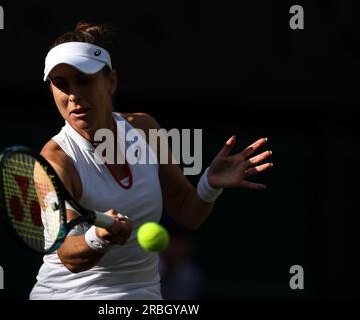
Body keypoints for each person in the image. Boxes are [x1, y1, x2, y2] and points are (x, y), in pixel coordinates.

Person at [29, 21, 273, 300]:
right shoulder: (54, 161)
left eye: (84, 80)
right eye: (61, 84)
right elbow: (68, 255)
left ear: (111, 83)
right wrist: (98, 236)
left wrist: (209, 184)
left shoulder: (144, 129)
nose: (73, 95)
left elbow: (187, 211)